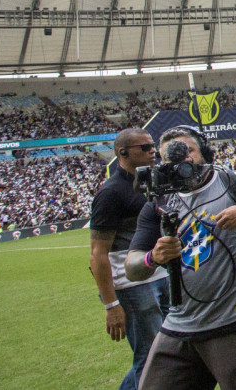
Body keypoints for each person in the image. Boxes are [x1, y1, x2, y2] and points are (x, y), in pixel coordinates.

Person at [125, 126, 236, 390]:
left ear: (206, 153)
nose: (181, 161)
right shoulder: (158, 204)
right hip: (178, 327)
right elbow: (132, 266)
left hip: (233, 325)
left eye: (188, 152)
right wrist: (153, 258)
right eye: (170, 158)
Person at [89, 128, 172, 390]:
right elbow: (97, 253)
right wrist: (111, 305)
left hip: (160, 274)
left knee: (168, 349)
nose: (152, 152)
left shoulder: (152, 182)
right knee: (150, 357)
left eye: (153, 146)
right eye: (144, 148)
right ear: (122, 152)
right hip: (133, 284)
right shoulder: (111, 193)